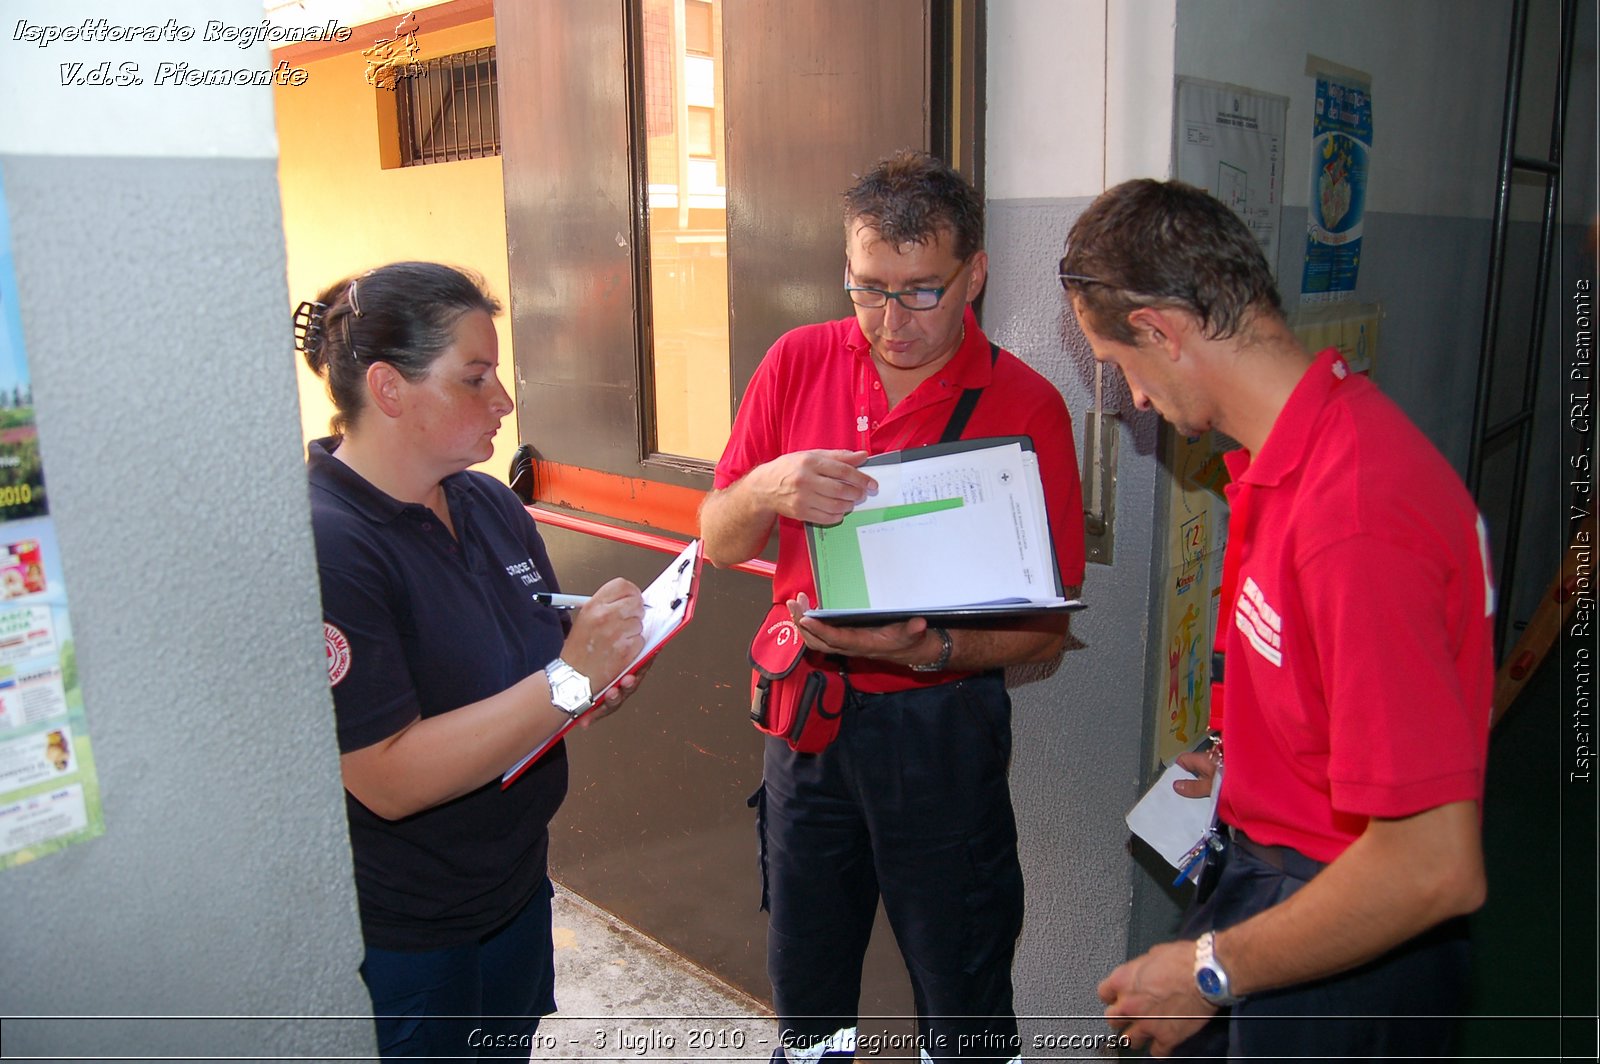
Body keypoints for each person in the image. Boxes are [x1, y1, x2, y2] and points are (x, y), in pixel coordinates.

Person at [1061, 180, 1492, 1059]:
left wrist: (1208, 971)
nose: (1136, 401)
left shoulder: (1355, 515)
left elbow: (1430, 864)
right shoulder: (1290, 453)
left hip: (1352, 920)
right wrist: (1233, 751)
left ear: (1163, 333)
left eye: (1124, 368)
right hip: (1272, 873)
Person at [701, 150, 1086, 1062]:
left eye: (921, 292)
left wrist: (932, 651)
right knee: (809, 993)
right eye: (868, 290)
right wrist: (769, 486)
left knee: (962, 993)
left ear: (975, 275)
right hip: (808, 728)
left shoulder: (1025, 404)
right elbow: (719, 540)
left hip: (942, 733)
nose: (891, 321)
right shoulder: (797, 362)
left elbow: (1048, 626)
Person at [298, 262, 648, 1061]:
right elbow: (387, 778)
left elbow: (532, 679)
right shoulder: (327, 543)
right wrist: (568, 681)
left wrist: (593, 678)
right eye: (475, 377)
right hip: (406, 932)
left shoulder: (485, 500)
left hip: (513, 892)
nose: (504, 400)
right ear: (389, 388)